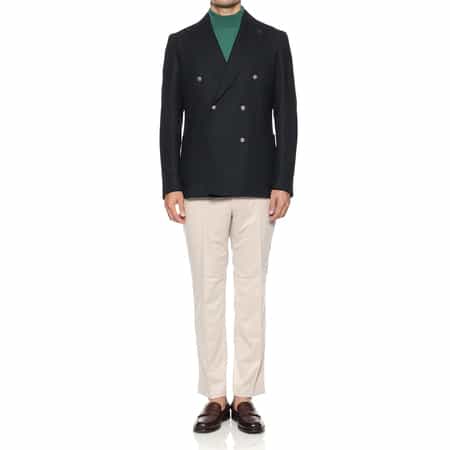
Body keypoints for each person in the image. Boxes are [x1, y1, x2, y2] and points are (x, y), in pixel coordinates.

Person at [159, 0, 297, 434]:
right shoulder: (182, 43)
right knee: (208, 290)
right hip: (200, 182)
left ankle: (245, 395)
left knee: (252, 290)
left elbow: (287, 115)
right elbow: (169, 117)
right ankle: (215, 395)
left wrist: (284, 180)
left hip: (257, 181)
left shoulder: (273, 41)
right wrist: (171, 182)